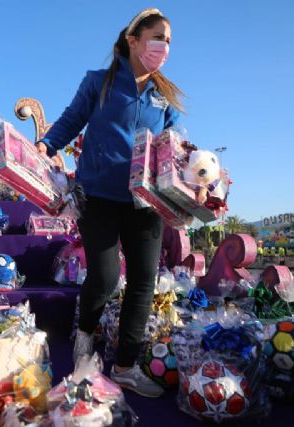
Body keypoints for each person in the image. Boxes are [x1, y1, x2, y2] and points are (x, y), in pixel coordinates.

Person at [36, 8, 183, 398]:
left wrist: (195, 177)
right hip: (98, 195)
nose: (163, 47)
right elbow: (71, 120)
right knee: (103, 276)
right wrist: (45, 145)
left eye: (168, 41)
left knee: (142, 283)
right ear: (133, 40)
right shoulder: (99, 82)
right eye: (157, 38)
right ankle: (84, 350)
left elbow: (173, 147)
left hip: (145, 204)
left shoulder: (163, 97)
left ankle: (125, 367)